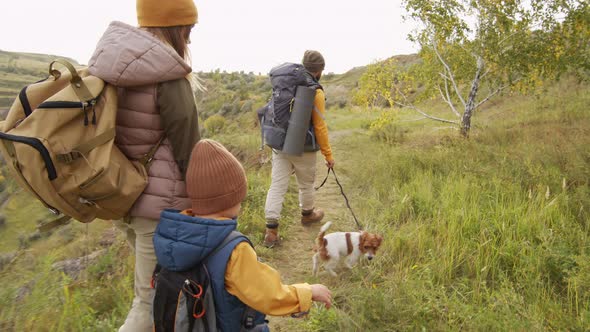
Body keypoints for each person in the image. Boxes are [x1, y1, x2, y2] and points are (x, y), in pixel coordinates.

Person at [87, 0, 200, 330]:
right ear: (173, 29)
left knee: (155, 297)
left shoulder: (110, 67)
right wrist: (207, 207)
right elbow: (189, 153)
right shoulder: (168, 77)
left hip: (124, 199)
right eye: (188, 31)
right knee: (149, 303)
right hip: (160, 211)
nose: (189, 40)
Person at [154, 139, 333, 331]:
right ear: (231, 199)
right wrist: (307, 292)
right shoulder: (233, 249)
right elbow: (268, 294)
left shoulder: (172, 236)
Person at [263, 50, 335, 248]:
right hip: (304, 148)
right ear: (320, 70)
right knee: (306, 184)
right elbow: (319, 127)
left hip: (279, 145)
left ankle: (271, 231)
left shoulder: (285, 84)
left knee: (277, 186)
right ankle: (308, 214)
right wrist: (328, 155)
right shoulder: (316, 92)